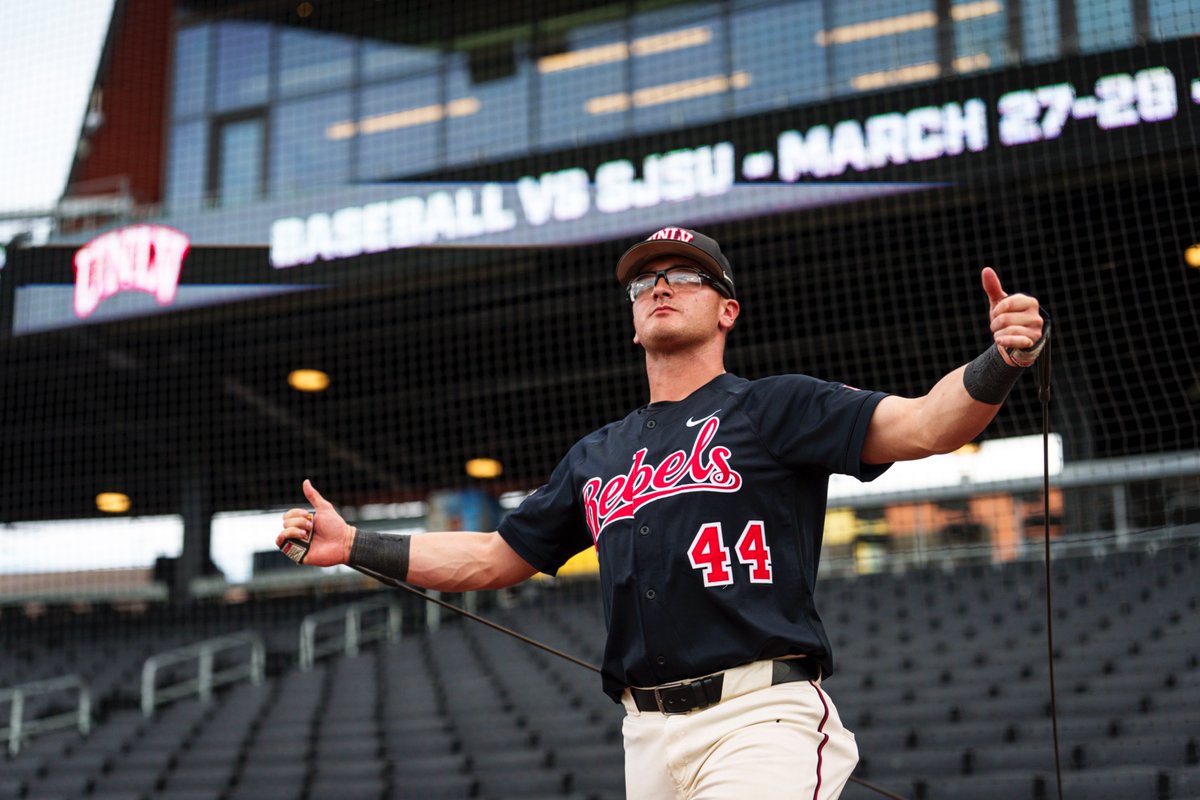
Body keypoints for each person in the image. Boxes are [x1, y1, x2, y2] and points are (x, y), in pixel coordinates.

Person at [277, 226, 1047, 800]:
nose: (660, 286)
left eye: (685, 274)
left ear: (728, 310)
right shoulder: (598, 454)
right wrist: (354, 544)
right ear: (633, 315)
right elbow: (490, 559)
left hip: (759, 716)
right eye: (644, 282)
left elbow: (922, 425)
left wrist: (997, 361)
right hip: (644, 736)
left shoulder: (774, 406)